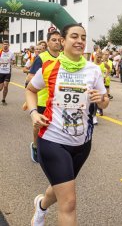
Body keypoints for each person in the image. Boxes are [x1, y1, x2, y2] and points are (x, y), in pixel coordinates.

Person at [26, 23, 109, 225]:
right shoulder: (49, 67)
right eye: (74, 36)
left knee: (60, 186)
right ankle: (43, 208)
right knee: (69, 202)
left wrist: (101, 99)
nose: (80, 41)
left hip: (82, 143)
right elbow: (30, 89)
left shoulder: (94, 70)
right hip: (53, 140)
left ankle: (41, 206)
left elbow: (105, 100)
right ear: (63, 41)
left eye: (83, 37)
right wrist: (33, 113)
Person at [27, 30, 62, 163]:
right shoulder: (41, 58)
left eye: (59, 40)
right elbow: (30, 77)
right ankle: (35, 145)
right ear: (48, 42)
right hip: (42, 99)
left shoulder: (64, 57)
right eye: (54, 39)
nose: (57, 42)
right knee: (39, 125)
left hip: (57, 100)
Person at [0, 40, 15, 105]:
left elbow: (14, 62)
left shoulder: (11, 53)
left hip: (7, 72)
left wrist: (12, 62)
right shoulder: (0, 52)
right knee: (0, 88)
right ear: (2, 45)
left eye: (7, 44)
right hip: (0, 72)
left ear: (9, 45)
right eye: (4, 44)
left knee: (6, 86)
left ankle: (3, 99)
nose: (5, 45)